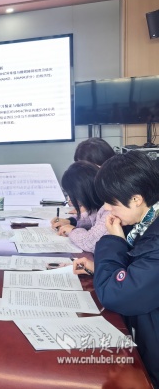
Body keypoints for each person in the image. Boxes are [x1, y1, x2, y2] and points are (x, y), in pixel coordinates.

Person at [76, 151, 159, 387]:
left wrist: (113, 241)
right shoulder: (145, 223)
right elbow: (138, 274)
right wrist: (99, 268)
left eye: (112, 202)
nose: (107, 208)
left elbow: (117, 294)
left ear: (136, 199)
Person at [50, 161, 109, 252]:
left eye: (73, 196)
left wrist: (72, 231)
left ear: (83, 193)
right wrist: (71, 221)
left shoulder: (109, 209)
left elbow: (90, 243)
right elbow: (93, 217)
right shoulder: (101, 200)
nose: (71, 200)